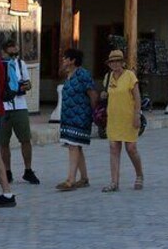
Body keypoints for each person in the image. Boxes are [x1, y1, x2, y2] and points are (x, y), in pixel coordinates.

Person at [101, 50, 144, 192]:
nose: (115, 64)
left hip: (129, 116)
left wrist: (137, 115)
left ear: (122, 62)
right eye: (112, 61)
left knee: (131, 148)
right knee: (114, 148)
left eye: (117, 61)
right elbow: (107, 95)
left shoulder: (130, 76)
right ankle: (114, 182)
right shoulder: (108, 77)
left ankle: (139, 175)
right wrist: (103, 95)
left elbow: (137, 97)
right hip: (113, 117)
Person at [56, 48, 98, 192]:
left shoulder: (82, 74)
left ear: (73, 60)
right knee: (75, 146)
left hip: (80, 117)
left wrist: (93, 113)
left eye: (65, 58)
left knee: (73, 146)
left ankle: (71, 179)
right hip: (68, 117)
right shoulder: (69, 75)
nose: (63, 60)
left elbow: (92, 93)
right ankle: (84, 178)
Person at [0, 40, 40, 186]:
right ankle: (7, 172)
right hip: (3, 107)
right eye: (11, 54)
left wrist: (25, 86)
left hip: (20, 106)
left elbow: (28, 83)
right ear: (4, 52)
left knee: (25, 139)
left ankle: (28, 170)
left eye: (16, 54)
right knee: (3, 142)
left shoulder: (20, 64)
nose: (14, 57)